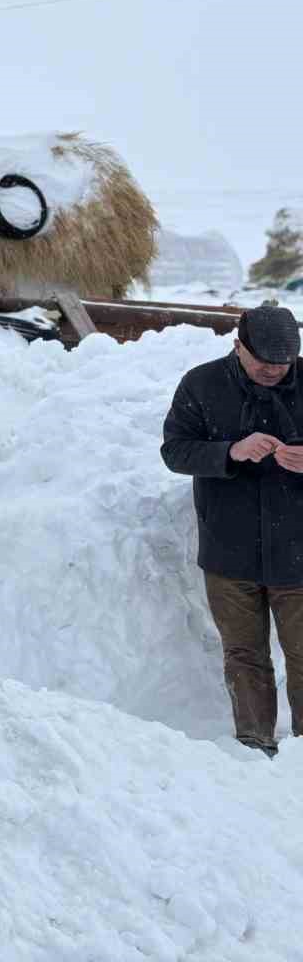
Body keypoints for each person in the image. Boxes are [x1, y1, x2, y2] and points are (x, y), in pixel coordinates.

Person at [161, 303, 303, 757]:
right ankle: (254, 742)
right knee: (245, 655)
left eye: (283, 364)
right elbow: (175, 451)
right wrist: (229, 452)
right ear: (238, 345)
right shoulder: (200, 385)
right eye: (263, 361)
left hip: (299, 550)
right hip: (229, 551)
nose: (273, 371)